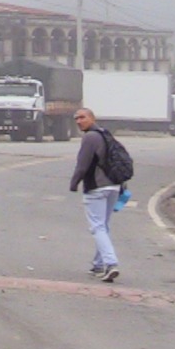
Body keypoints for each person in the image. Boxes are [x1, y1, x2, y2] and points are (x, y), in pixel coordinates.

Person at [69, 108, 121, 283]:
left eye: (82, 117)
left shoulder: (90, 137)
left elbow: (82, 164)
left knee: (97, 227)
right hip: (114, 186)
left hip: (97, 187)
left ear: (92, 118)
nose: (79, 121)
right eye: (76, 118)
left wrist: (74, 182)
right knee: (103, 226)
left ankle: (111, 263)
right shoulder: (106, 134)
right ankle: (98, 264)